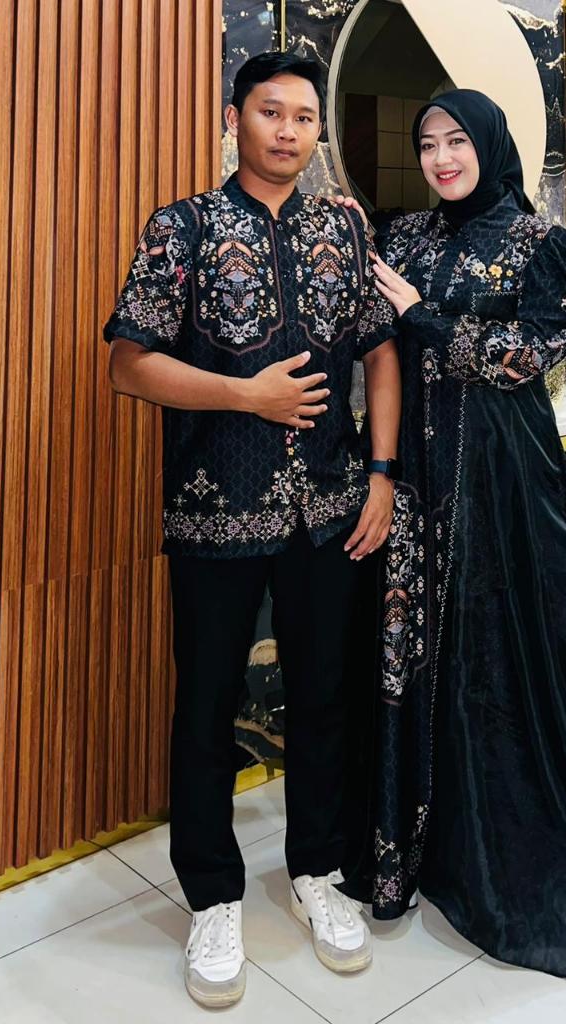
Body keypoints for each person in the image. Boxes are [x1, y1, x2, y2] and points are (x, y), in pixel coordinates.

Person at [354, 89, 566, 977]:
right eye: (427, 143)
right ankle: (419, 850)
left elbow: (522, 360)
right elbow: (374, 343)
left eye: (456, 141)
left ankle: (509, 856)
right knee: (421, 652)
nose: (441, 158)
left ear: (490, 145)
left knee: (501, 654)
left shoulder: (545, 246)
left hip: (503, 480)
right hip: (419, 475)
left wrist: (423, 315)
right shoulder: (406, 237)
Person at [103, 51, 400, 1008]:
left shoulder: (342, 229)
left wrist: (383, 476)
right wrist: (247, 396)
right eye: (270, 112)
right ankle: (212, 897)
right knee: (206, 706)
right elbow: (127, 363)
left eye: (304, 117)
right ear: (233, 119)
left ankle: (318, 871)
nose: (288, 131)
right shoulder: (181, 227)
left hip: (330, 509)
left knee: (324, 697)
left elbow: (380, 354)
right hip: (214, 509)